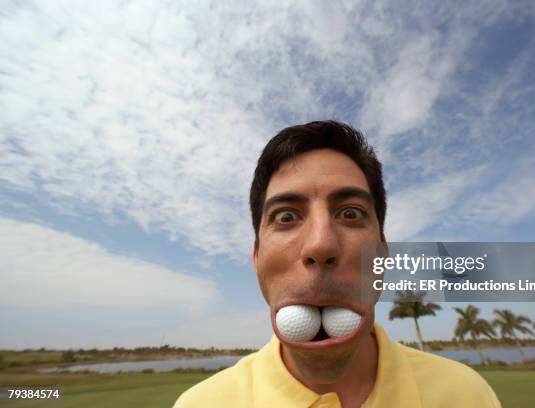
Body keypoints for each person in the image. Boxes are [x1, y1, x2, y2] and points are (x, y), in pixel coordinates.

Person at [174, 121, 501, 407]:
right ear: (257, 257)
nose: (320, 244)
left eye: (351, 213)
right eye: (286, 216)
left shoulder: (468, 396)